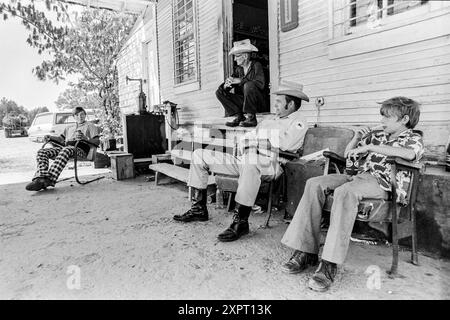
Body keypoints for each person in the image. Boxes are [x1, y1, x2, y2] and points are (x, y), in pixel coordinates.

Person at [280, 97, 424, 292]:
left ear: (404, 119)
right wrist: (356, 139)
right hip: (358, 176)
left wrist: (370, 147)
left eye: (387, 117)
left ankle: (329, 263)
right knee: (314, 184)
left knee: (345, 193)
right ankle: (306, 251)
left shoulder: (413, 138)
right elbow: (349, 154)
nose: (381, 121)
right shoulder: (377, 135)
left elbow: (409, 155)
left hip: (384, 183)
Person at [174, 82, 310, 242]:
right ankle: (198, 209)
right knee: (199, 154)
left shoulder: (298, 122)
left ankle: (241, 222)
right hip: (246, 158)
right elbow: (246, 138)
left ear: (291, 104)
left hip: (272, 163)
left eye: (279, 101)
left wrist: (259, 142)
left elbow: (287, 144)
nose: (275, 104)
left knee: (251, 161)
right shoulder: (268, 121)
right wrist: (256, 141)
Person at [25, 107, 100, 191]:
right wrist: (50, 137)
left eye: (82, 114)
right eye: (77, 115)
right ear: (74, 117)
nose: (80, 116)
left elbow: (97, 141)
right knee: (41, 152)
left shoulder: (90, 126)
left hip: (80, 150)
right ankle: (41, 178)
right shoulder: (69, 127)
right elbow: (61, 139)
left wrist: (85, 138)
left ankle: (49, 180)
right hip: (66, 149)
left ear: (85, 115)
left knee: (66, 149)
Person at [216, 39, 266, 128]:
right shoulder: (239, 69)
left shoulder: (256, 65)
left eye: (237, 56)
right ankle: (240, 116)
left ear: (245, 56)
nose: (234, 59)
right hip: (245, 102)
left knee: (249, 85)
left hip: (257, 103)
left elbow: (260, 83)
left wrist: (241, 80)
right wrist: (226, 85)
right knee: (219, 92)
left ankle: (251, 117)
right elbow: (232, 81)